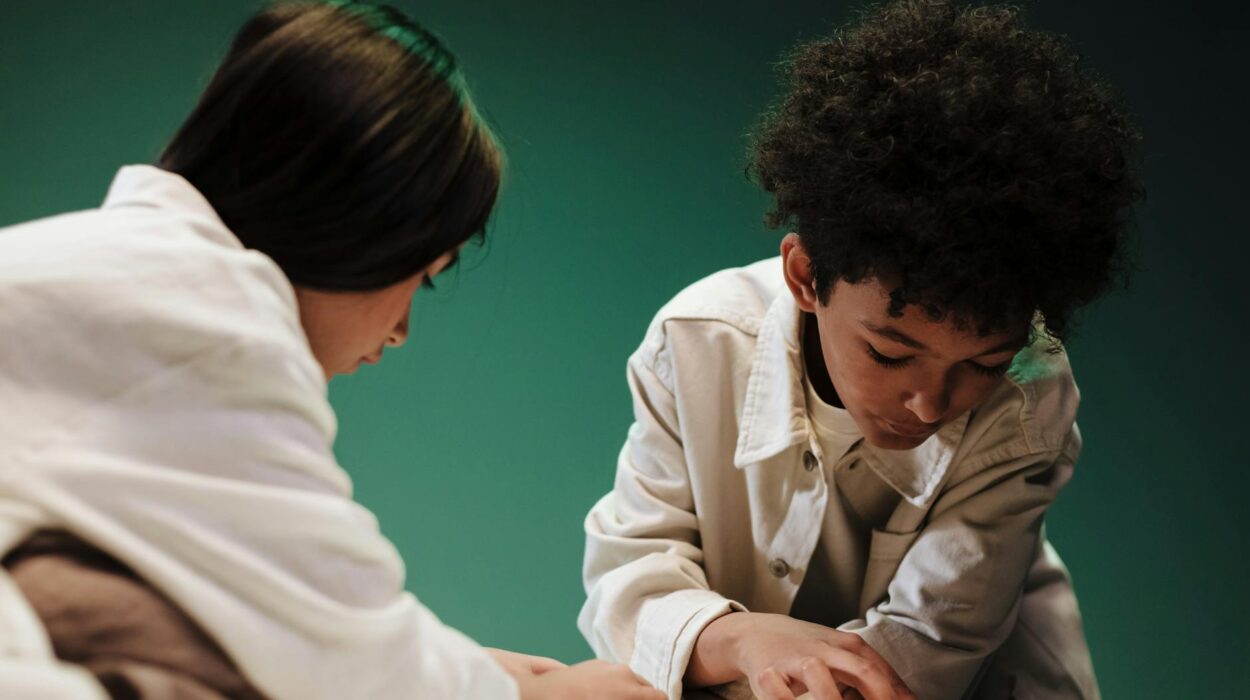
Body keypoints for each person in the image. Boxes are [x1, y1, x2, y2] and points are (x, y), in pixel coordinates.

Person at [0, 2, 663, 699]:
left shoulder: (128, 275)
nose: (401, 329)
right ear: (366, 225)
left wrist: (455, 665)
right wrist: (535, 695)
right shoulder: (211, 324)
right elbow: (344, 656)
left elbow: (295, 604)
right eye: (426, 276)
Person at [579, 1, 1142, 699]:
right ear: (806, 276)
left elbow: (924, 651)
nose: (931, 402)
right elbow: (628, 578)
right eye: (889, 352)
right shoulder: (696, 342)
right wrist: (740, 637)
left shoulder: (1030, 401)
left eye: (981, 366)